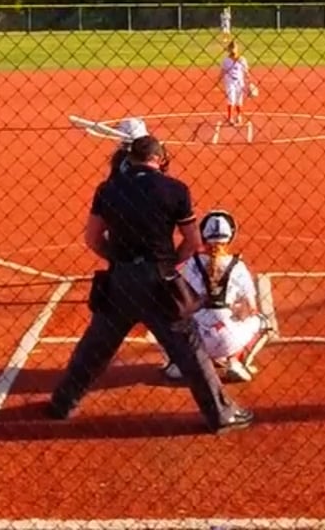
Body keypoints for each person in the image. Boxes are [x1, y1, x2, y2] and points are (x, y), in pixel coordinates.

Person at [45, 134, 252, 434]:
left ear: (130, 159)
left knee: (95, 346)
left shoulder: (109, 189)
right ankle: (220, 414)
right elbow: (192, 241)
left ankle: (62, 403)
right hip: (159, 281)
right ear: (159, 159)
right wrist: (170, 262)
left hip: (120, 281)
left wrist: (118, 260)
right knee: (188, 349)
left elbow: (92, 238)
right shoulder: (175, 189)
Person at [163, 209, 273, 383]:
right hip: (230, 339)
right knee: (264, 323)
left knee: (165, 320)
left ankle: (178, 363)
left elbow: (182, 299)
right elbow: (251, 309)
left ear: (203, 236)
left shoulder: (192, 263)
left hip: (196, 339)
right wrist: (233, 311)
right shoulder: (238, 266)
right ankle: (236, 363)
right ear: (231, 236)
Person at [219, 42, 255, 125]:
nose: (233, 50)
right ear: (229, 50)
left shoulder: (242, 59)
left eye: (234, 48)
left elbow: (246, 72)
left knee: (239, 100)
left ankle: (239, 116)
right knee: (231, 99)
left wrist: (250, 82)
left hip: (239, 82)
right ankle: (230, 118)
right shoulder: (226, 60)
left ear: (237, 49)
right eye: (231, 48)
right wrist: (218, 80)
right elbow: (222, 71)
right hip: (230, 82)